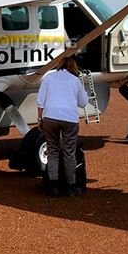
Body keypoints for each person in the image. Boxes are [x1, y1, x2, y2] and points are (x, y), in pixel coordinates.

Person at [36, 56, 89, 196]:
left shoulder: (49, 78)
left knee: (52, 151)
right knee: (69, 153)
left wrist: (40, 119)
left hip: (50, 117)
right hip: (69, 119)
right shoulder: (75, 80)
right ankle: (71, 186)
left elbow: (40, 101)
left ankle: (53, 185)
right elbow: (83, 102)